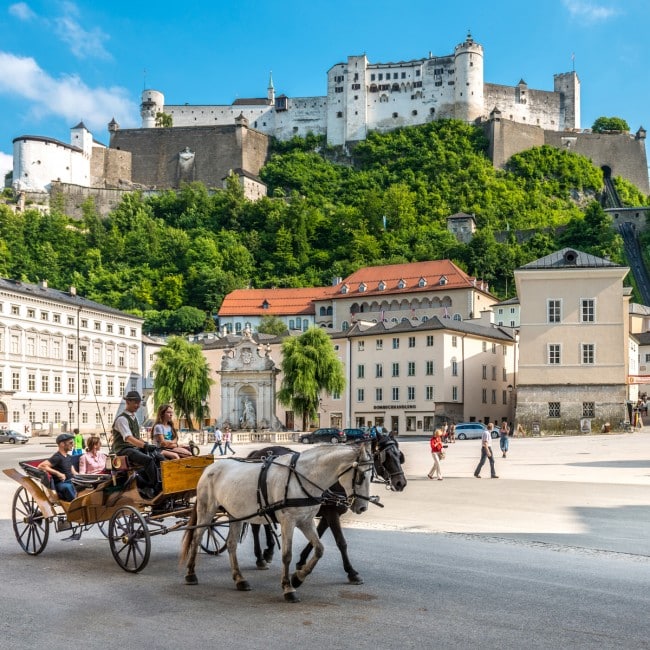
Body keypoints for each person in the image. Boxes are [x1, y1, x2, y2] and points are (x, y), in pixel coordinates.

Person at [111, 391, 160, 497]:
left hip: (133, 448)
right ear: (128, 402)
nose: (138, 405)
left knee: (158, 455)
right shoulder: (122, 419)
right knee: (148, 460)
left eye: (138, 402)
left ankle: (162, 480)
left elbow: (137, 438)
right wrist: (144, 446)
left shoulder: (134, 418)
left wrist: (148, 445)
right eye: (135, 403)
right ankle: (155, 487)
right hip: (123, 450)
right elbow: (128, 438)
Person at [38, 433, 78, 501]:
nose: (72, 445)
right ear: (62, 444)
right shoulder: (57, 457)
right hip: (61, 484)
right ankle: (75, 506)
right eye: (70, 443)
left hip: (71, 481)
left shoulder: (68, 457)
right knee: (68, 487)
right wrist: (58, 473)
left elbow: (74, 472)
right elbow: (41, 466)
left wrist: (84, 477)